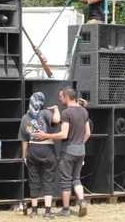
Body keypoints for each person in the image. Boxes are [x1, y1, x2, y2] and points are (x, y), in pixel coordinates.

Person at [33, 87, 89, 217]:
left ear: (66, 97)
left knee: (65, 180)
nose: (59, 99)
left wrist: (45, 135)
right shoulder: (84, 111)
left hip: (68, 151)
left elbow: (63, 134)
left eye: (60, 97)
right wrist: (80, 144)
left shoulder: (66, 113)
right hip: (81, 150)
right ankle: (82, 201)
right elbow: (88, 133)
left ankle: (65, 209)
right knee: (76, 178)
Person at [19, 92, 60, 219]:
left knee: (33, 179)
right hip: (47, 149)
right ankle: (47, 212)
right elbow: (57, 120)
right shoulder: (46, 113)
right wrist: (56, 109)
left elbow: (24, 140)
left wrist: (24, 155)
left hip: (33, 149)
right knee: (48, 180)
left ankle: (35, 211)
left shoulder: (25, 118)